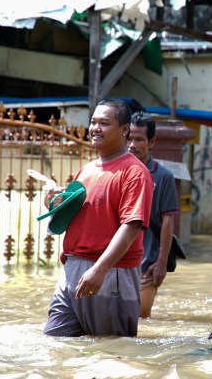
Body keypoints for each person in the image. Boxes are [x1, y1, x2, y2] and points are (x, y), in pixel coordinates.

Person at [42, 98, 153, 337]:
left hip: (110, 273)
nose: (95, 128)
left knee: (111, 352)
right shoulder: (87, 169)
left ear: (124, 130)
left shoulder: (135, 173)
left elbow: (132, 226)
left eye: (104, 123)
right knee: (55, 345)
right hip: (72, 269)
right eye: (93, 122)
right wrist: (53, 201)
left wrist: (100, 270)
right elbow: (72, 218)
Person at [128, 112, 180, 318]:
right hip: (115, 261)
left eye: (139, 139)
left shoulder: (163, 176)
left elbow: (168, 221)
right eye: (129, 138)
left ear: (151, 142)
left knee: (140, 317)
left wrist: (161, 263)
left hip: (147, 262)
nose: (132, 144)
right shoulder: (113, 171)